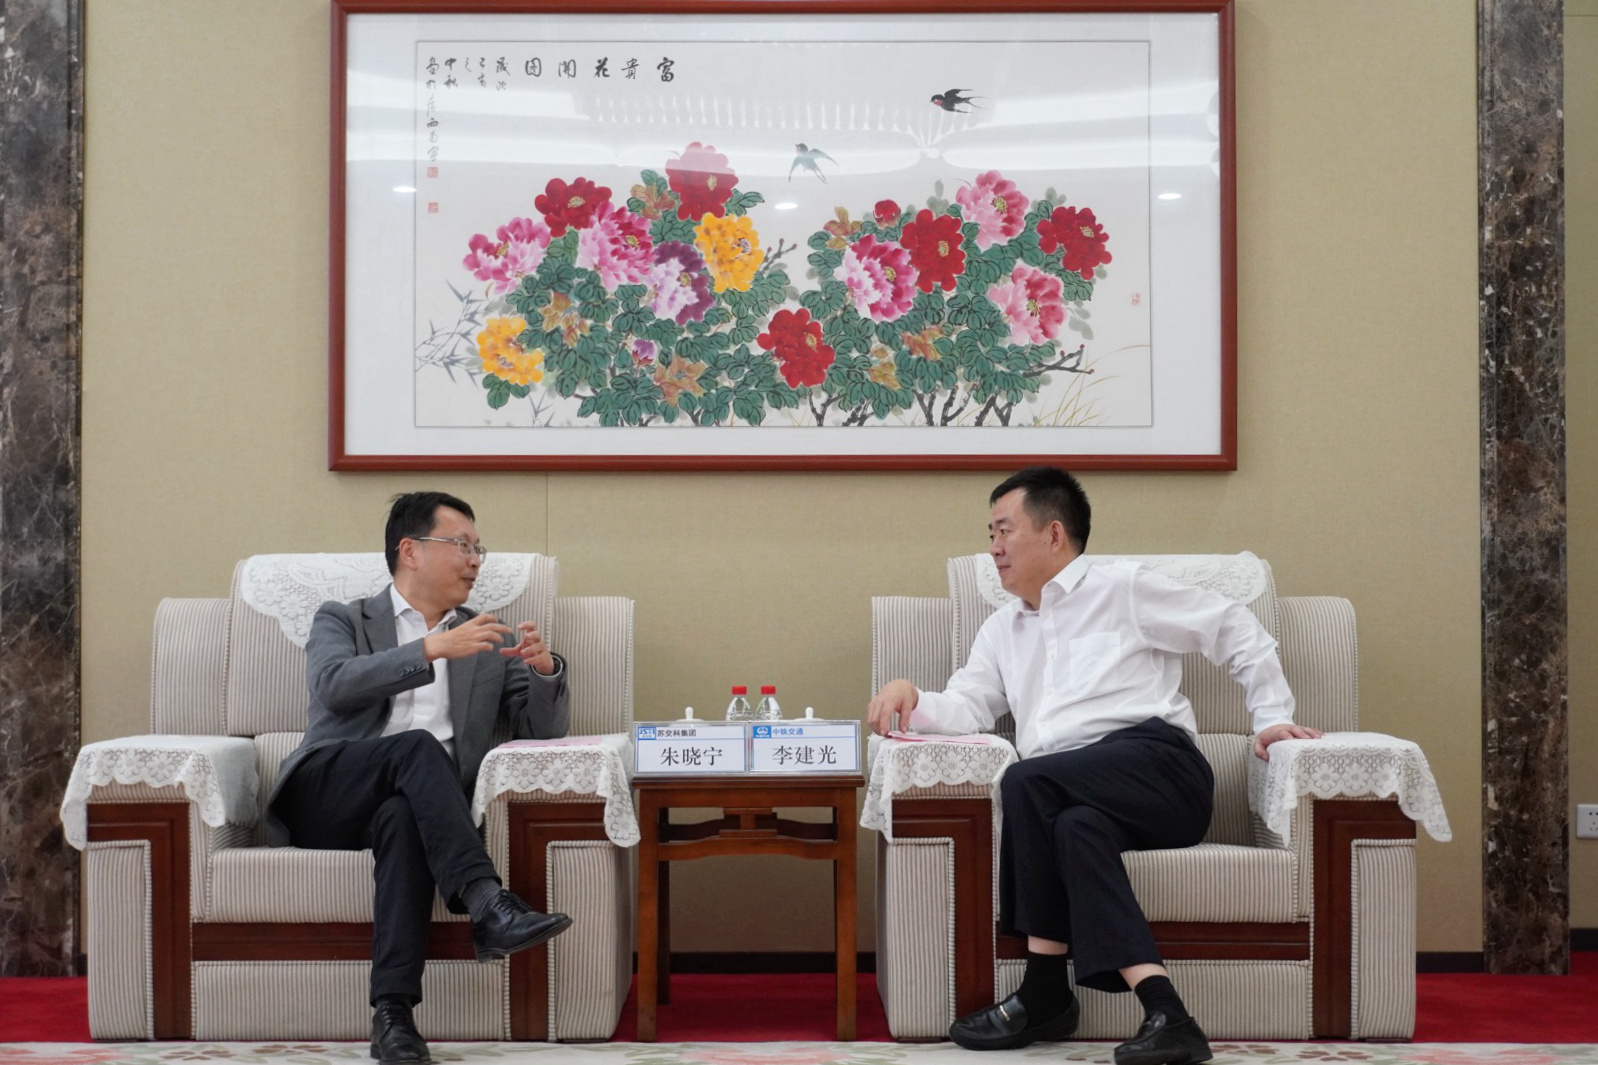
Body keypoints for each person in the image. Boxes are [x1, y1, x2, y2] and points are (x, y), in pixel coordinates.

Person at [866, 467, 1322, 1065]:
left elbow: (1232, 626)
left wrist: (1270, 717)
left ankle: (1044, 990)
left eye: (1004, 530)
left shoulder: (1122, 588)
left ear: (1053, 533)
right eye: (990, 534)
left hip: (1161, 771)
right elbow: (968, 706)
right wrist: (912, 695)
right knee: (1073, 829)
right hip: (1074, 792)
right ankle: (1168, 1014)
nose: (994, 547)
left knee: (1025, 778)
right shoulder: (1001, 629)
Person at [265, 491, 574, 1065]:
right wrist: (431, 648)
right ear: (410, 550)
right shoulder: (344, 618)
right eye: (462, 545)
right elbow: (333, 685)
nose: (475, 559)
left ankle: (394, 1019)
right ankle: (487, 901)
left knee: (405, 817)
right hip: (327, 789)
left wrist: (543, 671)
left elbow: (541, 733)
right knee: (417, 747)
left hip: (415, 805)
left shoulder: (487, 638)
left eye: (479, 549)